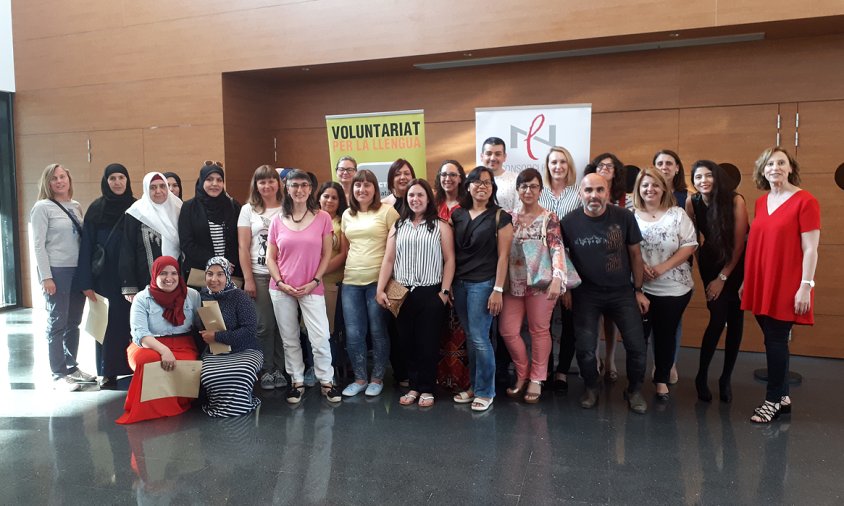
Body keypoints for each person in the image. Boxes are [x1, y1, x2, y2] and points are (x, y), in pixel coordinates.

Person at [742, 147, 820, 423]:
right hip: (761, 280)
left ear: (790, 168)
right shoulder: (762, 202)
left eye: (781, 163)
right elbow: (758, 244)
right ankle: (783, 395)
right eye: (769, 163)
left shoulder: (805, 201)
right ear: (762, 170)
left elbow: (811, 249)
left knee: (775, 340)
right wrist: (746, 281)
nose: (775, 167)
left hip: (787, 283)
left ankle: (772, 400)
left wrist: (805, 286)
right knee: (773, 339)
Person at [561, 173, 650, 414]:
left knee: (636, 347)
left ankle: (634, 390)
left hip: (622, 292)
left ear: (607, 193)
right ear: (580, 193)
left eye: (599, 190)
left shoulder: (624, 217)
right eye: (588, 190)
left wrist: (639, 290)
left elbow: (635, 255)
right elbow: (563, 258)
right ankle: (591, 387)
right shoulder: (568, 222)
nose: (594, 195)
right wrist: (566, 289)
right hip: (586, 293)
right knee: (586, 348)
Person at [377, 179, 455, 407]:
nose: (415, 199)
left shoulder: (441, 225)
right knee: (406, 342)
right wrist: (380, 289)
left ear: (428, 199)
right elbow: (388, 259)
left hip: (431, 292)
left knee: (428, 343)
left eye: (420, 195)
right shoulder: (398, 226)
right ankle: (413, 386)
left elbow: (450, 260)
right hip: (401, 292)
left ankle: (427, 388)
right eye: (411, 195)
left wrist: (444, 292)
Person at [268, 170, 343, 403]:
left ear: (311, 189)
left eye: (304, 185)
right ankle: (296, 380)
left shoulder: (322, 218)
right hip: (281, 288)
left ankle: (326, 381)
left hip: (312, 287)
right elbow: (271, 258)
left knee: (319, 336)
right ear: (286, 188)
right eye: (294, 185)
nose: (299, 190)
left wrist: (315, 281)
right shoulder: (277, 220)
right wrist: (280, 282)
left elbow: (326, 254)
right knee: (289, 337)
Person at [500, 168, 565, 403]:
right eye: (524, 186)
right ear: (517, 190)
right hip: (513, 284)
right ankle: (522, 372)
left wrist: (558, 278)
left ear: (540, 190)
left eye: (533, 186)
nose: (528, 190)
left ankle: (537, 378)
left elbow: (557, 248)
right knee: (508, 330)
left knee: (539, 330)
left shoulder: (550, 217)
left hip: (541, 283)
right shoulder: (508, 217)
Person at [450, 166, 513, 412]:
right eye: (477, 181)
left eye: (487, 182)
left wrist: (497, 289)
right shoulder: (457, 215)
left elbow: (504, 257)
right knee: (471, 337)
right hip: (461, 284)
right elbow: (452, 254)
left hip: (484, 284)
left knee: (480, 337)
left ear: (493, 188)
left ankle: (486, 391)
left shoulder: (500, 216)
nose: (482, 186)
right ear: (468, 186)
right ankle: (475, 387)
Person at [632, 168, 697, 401]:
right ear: (638, 189)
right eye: (645, 185)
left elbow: (690, 245)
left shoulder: (677, 214)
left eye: (655, 185)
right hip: (640, 288)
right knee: (638, 337)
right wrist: (640, 271)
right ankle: (635, 381)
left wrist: (662, 267)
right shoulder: (630, 215)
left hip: (674, 287)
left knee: (666, 336)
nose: (650, 189)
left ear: (663, 189)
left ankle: (661, 379)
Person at [686, 160, 748, 403]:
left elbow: (740, 243)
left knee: (736, 321)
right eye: (698, 177)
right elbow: (690, 238)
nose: (703, 181)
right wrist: (705, 271)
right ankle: (701, 376)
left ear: (717, 177)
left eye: (708, 175)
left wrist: (723, 277)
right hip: (711, 263)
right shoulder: (693, 202)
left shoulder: (735, 200)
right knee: (717, 318)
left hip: (736, 263)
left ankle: (726, 378)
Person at [31, 163, 96, 391]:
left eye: (62, 177)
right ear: (47, 183)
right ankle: (58, 374)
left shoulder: (76, 206)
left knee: (73, 322)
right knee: (57, 322)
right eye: (54, 179)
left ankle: (71, 366)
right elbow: (38, 246)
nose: (59, 181)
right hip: (57, 271)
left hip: (77, 270)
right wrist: (45, 277)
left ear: (69, 179)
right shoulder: (42, 207)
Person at [117, 256, 201, 424]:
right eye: (163, 273)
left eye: (173, 273)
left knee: (185, 362)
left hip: (183, 343)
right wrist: (164, 350)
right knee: (148, 360)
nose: (169, 278)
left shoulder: (192, 295)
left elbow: (199, 325)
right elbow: (139, 333)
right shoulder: (142, 298)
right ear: (154, 274)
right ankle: (150, 410)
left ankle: (175, 404)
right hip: (149, 344)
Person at [75, 163, 136, 388]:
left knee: (132, 323)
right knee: (106, 325)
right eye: (113, 178)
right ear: (106, 181)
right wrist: (86, 282)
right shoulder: (96, 209)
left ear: (128, 180)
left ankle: (133, 368)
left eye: (121, 177)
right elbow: (87, 248)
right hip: (104, 278)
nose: (118, 182)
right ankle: (107, 370)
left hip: (131, 277)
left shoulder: (136, 207)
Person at [340, 169, 400, 397]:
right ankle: (360, 378)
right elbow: (346, 250)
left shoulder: (387, 212)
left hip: (378, 282)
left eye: (367, 185)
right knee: (354, 333)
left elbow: (395, 251)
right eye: (358, 185)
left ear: (375, 189)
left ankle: (377, 377)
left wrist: (385, 284)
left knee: (377, 330)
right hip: (351, 282)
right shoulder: (347, 215)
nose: (362, 190)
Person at [237, 164, 287, 391]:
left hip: (285, 277)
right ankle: (266, 369)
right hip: (259, 275)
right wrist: (248, 278)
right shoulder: (248, 210)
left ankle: (281, 368)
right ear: (256, 185)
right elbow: (243, 246)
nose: (267, 186)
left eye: (271, 181)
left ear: (279, 183)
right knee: (264, 325)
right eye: (262, 182)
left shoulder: (288, 207)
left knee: (284, 325)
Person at [538, 146, 582, 393]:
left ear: (569, 165)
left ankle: (562, 371)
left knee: (569, 320)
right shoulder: (539, 193)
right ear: (547, 165)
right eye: (553, 162)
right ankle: (543, 370)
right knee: (542, 323)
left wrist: (566, 280)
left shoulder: (578, 194)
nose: (558, 166)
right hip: (542, 266)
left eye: (562, 162)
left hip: (573, 264)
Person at [583, 152, 629, 382]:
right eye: (601, 165)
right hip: (590, 265)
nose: (605, 169)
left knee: (611, 319)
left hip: (616, 267)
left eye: (611, 166)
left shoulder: (626, 200)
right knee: (593, 319)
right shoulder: (585, 194)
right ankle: (596, 358)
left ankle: (610, 359)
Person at [198, 257, 263, 417]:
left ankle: (241, 404)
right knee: (208, 373)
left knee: (242, 371)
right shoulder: (203, 296)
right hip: (216, 351)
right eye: (210, 274)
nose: (214, 279)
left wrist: (218, 336)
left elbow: (249, 331)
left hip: (245, 349)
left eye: (220, 274)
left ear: (227, 276)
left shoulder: (240, 297)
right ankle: (218, 405)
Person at [653, 149, 689, 383]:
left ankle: (667, 364)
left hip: (677, 270)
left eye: (669, 163)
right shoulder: (645, 193)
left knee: (672, 322)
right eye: (659, 163)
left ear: (677, 168)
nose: (664, 167)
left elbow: (691, 237)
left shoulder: (687, 198)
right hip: (648, 270)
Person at [120, 172, 183, 299]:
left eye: (162, 186)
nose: (158, 191)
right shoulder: (136, 213)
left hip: (177, 279)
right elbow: (127, 250)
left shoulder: (179, 209)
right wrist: (130, 286)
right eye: (153, 187)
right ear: (146, 189)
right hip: (145, 281)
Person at [179, 162, 242, 279]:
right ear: (202, 181)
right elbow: (186, 243)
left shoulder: (233, 206)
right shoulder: (189, 207)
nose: (215, 184)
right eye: (209, 179)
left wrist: (229, 262)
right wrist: (216, 261)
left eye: (219, 180)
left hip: (231, 273)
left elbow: (240, 240)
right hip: (200, 274)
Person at [316, 182, 349, 368]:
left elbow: (343, 254)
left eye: (334, 197)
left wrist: (318, 273)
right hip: (308, 284)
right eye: (326, 196)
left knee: (331, 331)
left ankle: (331, 370)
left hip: (332, 283)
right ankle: (314, 368)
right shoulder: (310, 218)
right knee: (309, 329)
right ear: (319, 197)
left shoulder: (342, 220)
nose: (329, 200)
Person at [480, 137, 518, 214]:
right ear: (482, 156)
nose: (493, 158)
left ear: (504, 157)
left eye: (498, 154)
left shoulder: (516, 179)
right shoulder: (471, 180)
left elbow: (519, 211)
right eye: (489, 154)